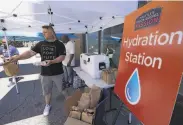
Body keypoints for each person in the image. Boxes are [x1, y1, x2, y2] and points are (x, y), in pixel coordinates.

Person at [9, 25, 66, 116]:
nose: (43, 34)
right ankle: (47, 105)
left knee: (63, 90)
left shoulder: (60, 44)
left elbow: (62, 57)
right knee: (47, 91)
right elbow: (30, 53)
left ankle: (70, 103)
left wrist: (52, 61)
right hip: (45, 74)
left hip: (58, 73)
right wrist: (18, 57)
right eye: (42, 32)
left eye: (45, 32)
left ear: (51, 32)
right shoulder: (40, 44)